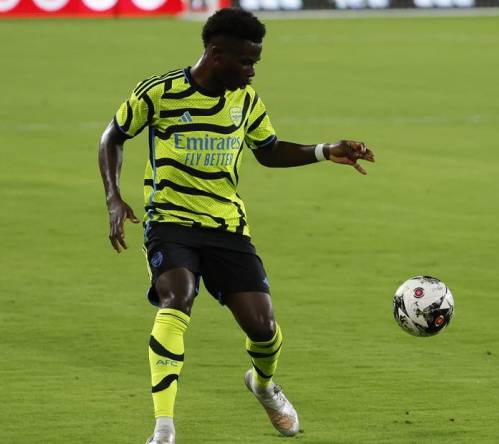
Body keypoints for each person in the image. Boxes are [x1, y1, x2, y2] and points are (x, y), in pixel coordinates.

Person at [97, 8, 375, 444]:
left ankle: (263, 384)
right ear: (215, 53)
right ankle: (164, 429)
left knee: (263, 328)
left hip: (227, 227)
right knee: (177, 298)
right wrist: (114, 197)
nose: (251, 73)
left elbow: (267, 150)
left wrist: (325, 150)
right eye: (245, 62)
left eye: (255, 63)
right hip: (171, 221)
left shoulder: (245, 102)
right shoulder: (160, 92)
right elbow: (112, 136)